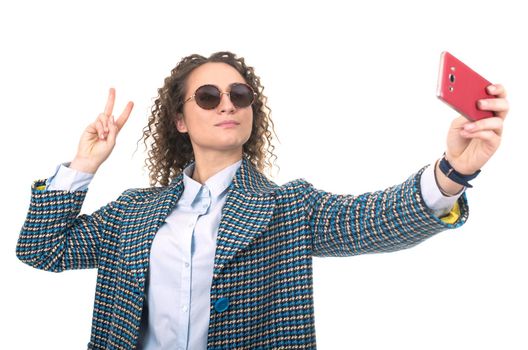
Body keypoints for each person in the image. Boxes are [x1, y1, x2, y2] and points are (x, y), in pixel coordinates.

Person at [16, 51, 509, 350]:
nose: (227, 103)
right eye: (207, 97)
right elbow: (41, 249)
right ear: (181, 120)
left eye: (239, 94)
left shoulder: (289, 208)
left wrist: (454, 171)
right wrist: (83, 166)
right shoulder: (130, 212)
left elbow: (372, 220)